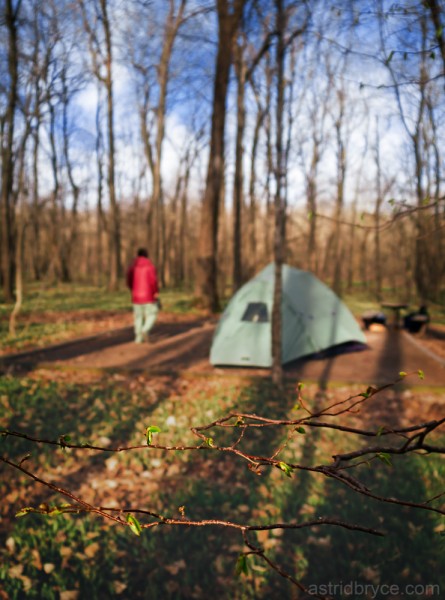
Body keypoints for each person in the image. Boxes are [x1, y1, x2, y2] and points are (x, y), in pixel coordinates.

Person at [126, 248, 159, 343]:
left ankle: (138, 337)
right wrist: (155, 291)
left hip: (136, 296)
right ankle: (145, 329)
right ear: (146, 255)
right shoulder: (150, 267)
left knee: (138, 317)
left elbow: (129, 281)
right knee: (152, 314)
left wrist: (133, 289)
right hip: (149, 295)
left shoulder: (133, 267)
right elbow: (153, 281)